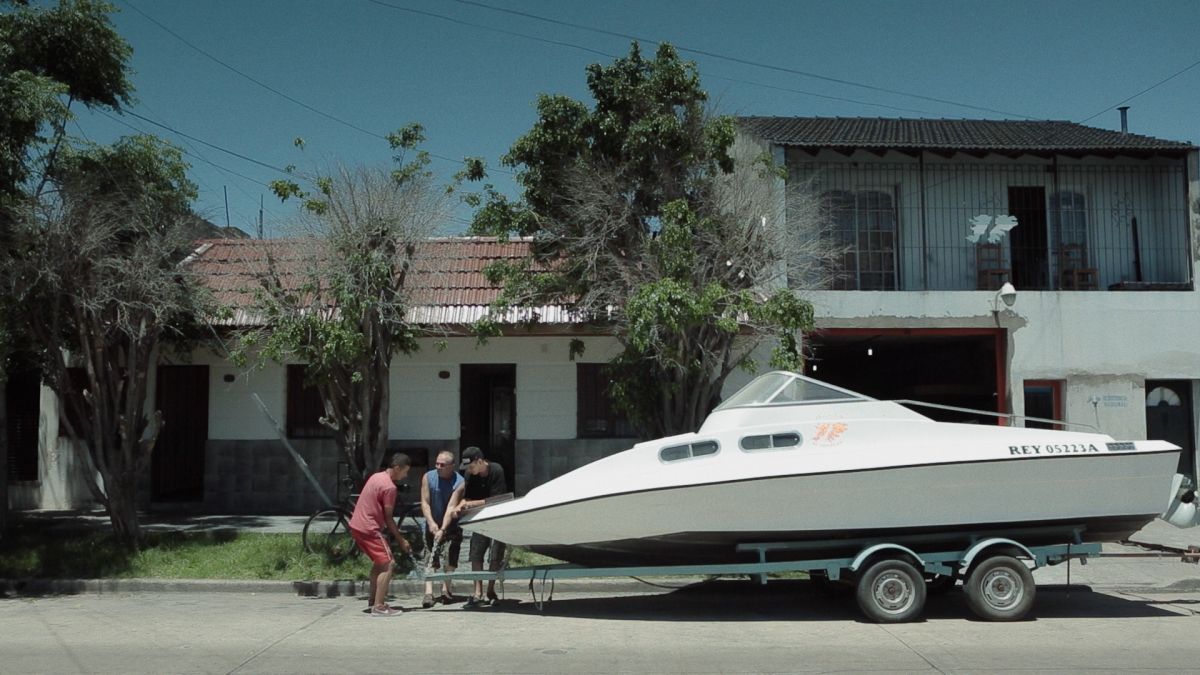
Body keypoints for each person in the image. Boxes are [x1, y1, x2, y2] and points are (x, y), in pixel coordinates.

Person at [348, 453, 414, 617]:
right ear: (397, 468)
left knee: (379, 563)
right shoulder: (389, 487)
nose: (406, 475)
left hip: (356, 526)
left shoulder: (376, 477)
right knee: (388, 563)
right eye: (405, 471)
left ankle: (373, 600)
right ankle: (379, 606)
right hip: (370, 528)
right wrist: (401, 540)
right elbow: (388, 517)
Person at [450, 446, 508, 607]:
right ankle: (477, 591)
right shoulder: (470, 475)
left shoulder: (496, 470)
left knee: (495, 555)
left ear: (480, 461)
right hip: (479, 518)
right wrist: (460, 507)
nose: (469, 470)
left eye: (471, 466)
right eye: (467, 467)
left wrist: (471, 503)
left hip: (497, 517)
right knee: (476, 553)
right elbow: (467, 496)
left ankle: (491, 590)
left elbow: (497, 499)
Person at [419, 449, 465, 608]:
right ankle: (428, 593)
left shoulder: (459, 482)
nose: (438, 467)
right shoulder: (428, 477)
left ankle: (446, 589)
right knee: (430, 556)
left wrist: (443, 529)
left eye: (442, 464)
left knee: (450, 556)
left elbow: (451, 507)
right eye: (437, 463)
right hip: (432, 522)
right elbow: (425, 502)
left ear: (452, 466)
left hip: (451, 524)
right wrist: (431, 523)